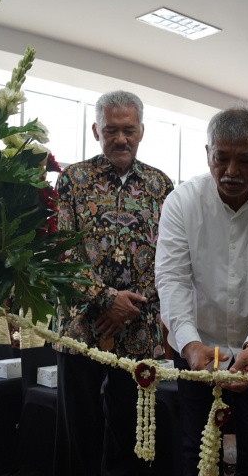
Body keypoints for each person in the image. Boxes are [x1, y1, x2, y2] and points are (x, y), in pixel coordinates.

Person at [155, 106, 248, 475]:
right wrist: (190, 345)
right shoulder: (182, 202)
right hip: (197, 348)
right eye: (221, 158)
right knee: (196, 449)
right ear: (207, 152)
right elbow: (172, 279)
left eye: (245, 160)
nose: (231, 172)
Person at [52, 90, 174, 475]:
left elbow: (172, 257)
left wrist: (127, 308)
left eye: (128, 130)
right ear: (95, 131)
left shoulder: (162, 186)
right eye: (111, 130)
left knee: (133, 436)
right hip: (81, 326)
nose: (121, 139)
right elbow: (60, 252)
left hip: (139, 330)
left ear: (141, 131)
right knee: (80, 436)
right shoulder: (73, 180)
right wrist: (105, 299)